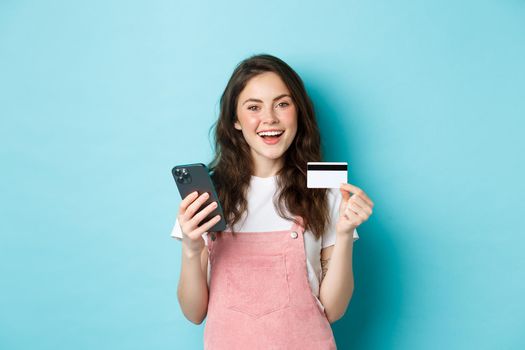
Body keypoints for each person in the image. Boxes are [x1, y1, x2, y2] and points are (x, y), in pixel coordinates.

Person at [171, 53, 374, 349]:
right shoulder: (207, 195)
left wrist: (343, 235)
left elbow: (334, 309)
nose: (270, 118)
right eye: (254, 107)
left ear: (298, 112)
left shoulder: (326, 190)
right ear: (235, 121)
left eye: (282, 103)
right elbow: (193, 312)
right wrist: (192, 248)